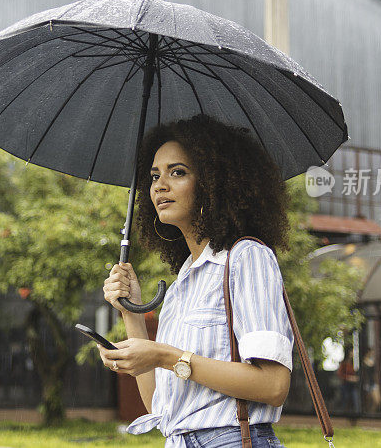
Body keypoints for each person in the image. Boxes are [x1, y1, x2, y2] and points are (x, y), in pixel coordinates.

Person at [97, 114, 294, 447]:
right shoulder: (181, 285)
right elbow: (158, 405)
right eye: (154, 175)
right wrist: (131, 314)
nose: (160, 185)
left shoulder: (245, 257)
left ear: (215, 181)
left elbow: (273, 386)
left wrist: (164, 356)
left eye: (178, 172)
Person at [337, 348, 360, 415]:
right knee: (345, 399)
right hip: (345, 385)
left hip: (353, 385)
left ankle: (356, 414)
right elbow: (340, 374)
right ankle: (343, 414)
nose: (353, 353)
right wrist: (349, 378)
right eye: (351, 352)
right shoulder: (344, 363)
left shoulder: (354, 363)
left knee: (355, 399)